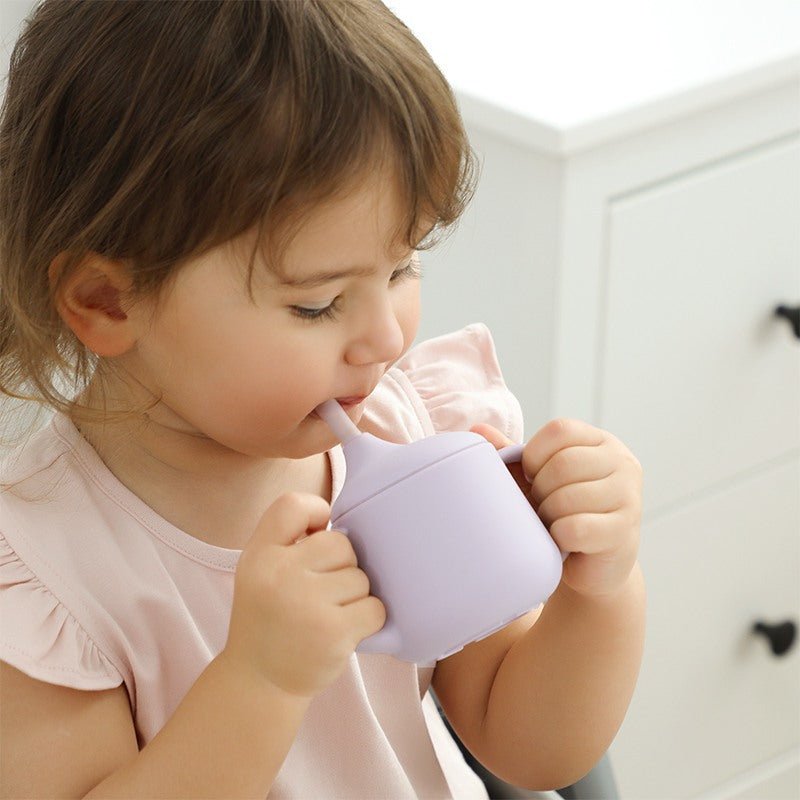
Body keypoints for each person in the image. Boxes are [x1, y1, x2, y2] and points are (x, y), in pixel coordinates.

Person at [0, 2, 646, 798]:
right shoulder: (38, 581)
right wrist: (262, 681)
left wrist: (599, 587)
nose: (386, 339)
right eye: (317, 303)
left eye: (403, 268)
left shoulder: (405, 433)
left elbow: (536, 752)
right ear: (106, 300)